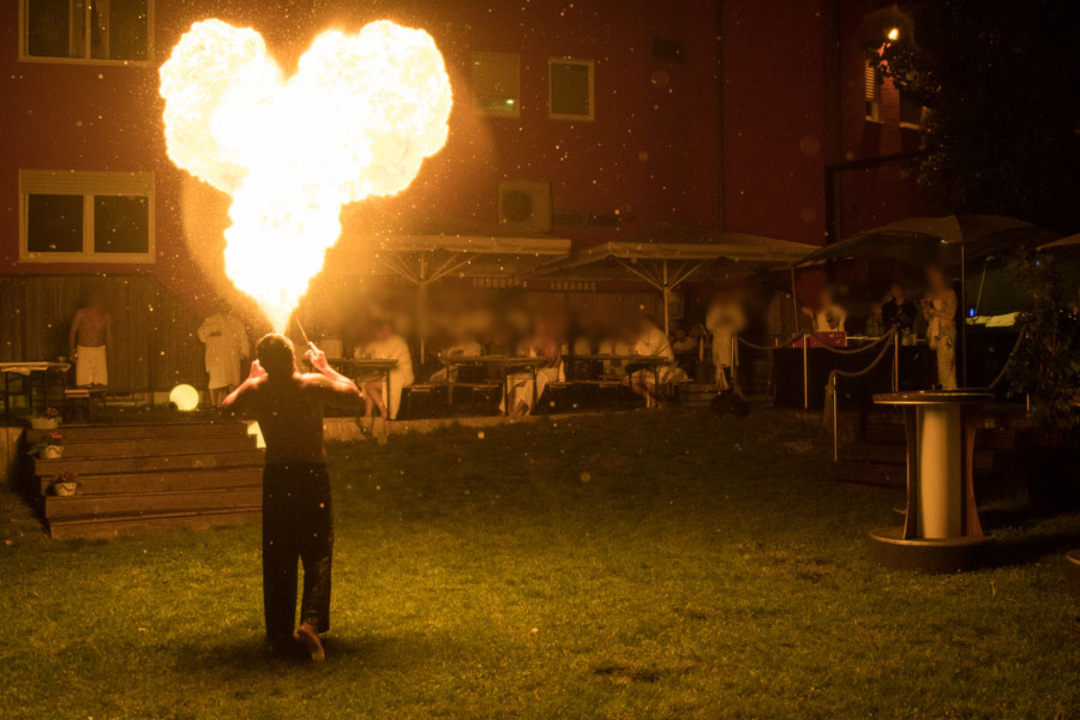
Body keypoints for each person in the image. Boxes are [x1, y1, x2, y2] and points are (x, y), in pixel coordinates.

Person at [223, 334, 363, 661]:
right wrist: (326, 367)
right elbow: (354, 396)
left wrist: (249, 379)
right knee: (317, 550)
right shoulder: (311, 384)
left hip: (278, 476)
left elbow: (225, 410)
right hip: (311, 474)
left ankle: (279, 631)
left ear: (264, 364)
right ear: (292, 359)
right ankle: (310, 623)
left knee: (278, 553)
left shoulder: (257, 389)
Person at [500, 319, 563, 417]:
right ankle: (506, 410)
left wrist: (539, 353)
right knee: (510, 379)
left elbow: (550, 363)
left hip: (550, 372)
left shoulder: (554, 342)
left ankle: (517, 411)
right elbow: (529, 360)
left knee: (532, 381)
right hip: (536, 370)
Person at [358, 320, 414, 424]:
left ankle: (383, 410)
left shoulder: (398, 341)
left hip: (402, 375)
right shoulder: (385, 341)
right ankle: (368, 414)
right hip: (392, 373)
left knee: (369, 386)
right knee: (367, 381)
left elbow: (390, 360)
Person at [197, 300, 251, 407]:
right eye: (221, 306)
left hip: (232, 355)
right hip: (216, 355)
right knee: (215, 382)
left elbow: (243, 339)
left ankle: (231, 406)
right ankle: (214, 406)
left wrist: (244, 352)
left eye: (226, 306)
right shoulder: (211, 321)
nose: (224, 308)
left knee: (233, 381)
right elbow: (201, 335)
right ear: (218, 307)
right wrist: (212, 332)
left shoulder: (236, 322)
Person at [626, 315, 677, 408]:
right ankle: (651, 400)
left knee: (650, 385)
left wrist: (637, 341)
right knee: (628, 381)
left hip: (663, 367)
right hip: (650, 367)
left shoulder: (658, 335)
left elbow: (649, 353)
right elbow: (636, 353)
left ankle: (663, 402)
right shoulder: (645, 335)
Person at [922, 266, 958, 390]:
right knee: (938, 370)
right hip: (933, 335)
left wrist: (933, 311)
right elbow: (927, 317)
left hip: (945, 335)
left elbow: (950, 314)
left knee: (946, 367)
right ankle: (942, 391)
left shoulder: (950, 294)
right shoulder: (930, 295)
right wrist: (926, 307)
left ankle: (949, 392)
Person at [68, 288, 113, 387]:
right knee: (83, 384)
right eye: (94, 298)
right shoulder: (81, 314)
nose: (96, 301)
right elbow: (73, 331)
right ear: (89, 300)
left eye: (98, 298)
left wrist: (110, 355)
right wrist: (72, 350)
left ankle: (97, 397)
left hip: (100, 352)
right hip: (83, 351)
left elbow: (108, 336)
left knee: (101, 384)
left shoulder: (105, 317)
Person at [705, 293, 747, 390]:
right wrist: (719, 321)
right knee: (719, 369)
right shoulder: (714, 310)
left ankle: (732, 389)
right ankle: (721, 389)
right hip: (718, 343)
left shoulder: (734, 308)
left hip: (730, 342)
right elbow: (709, 325)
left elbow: (740, 323)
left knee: (731, 368)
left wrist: (729, 322)